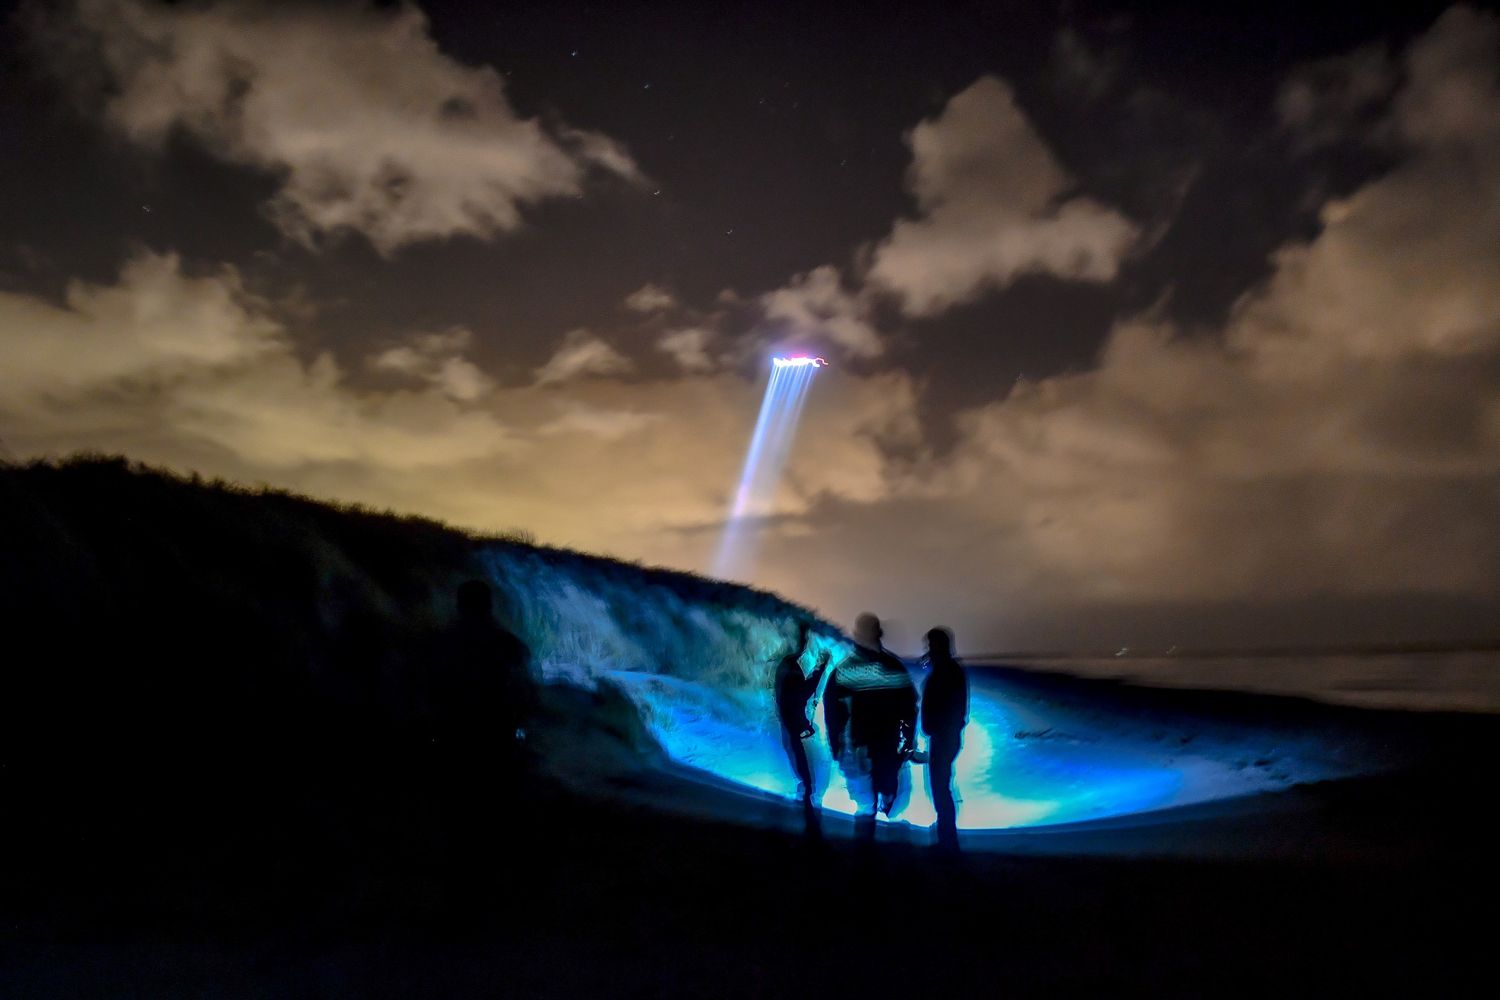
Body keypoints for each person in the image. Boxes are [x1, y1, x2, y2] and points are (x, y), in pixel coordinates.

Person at [844, 612, 917, 838]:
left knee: (868, 797)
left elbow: (833, 703)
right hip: (884, 739)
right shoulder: (893, 665)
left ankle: (869, 835)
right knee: (883, 787)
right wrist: (908, 739)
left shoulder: (849, 667)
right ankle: (882, 823)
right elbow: (910, 705)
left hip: (864, 740)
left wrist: (837, 741)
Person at [921, 627, 968, 853]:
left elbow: (954, 709)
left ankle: (948, 843)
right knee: (942, 789)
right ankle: (947, 839)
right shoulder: (948, 669)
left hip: (943, 738)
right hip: (944, 737)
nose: (928, 649)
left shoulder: (947, 671)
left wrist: (941, 733)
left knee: (941, 789)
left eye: (931, 645)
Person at [774, 621, 828, 813]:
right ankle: (806, 805)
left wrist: (803, 722)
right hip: (790, 724)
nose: (804, 645)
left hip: (789, 722)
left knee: (802, 769)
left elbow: (792, 698)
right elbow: (802, 693)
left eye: (805, 640)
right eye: (802, 639)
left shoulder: (787, 664)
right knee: (804, 773)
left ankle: (804, 800)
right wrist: (821, 667)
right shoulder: (791, 667)